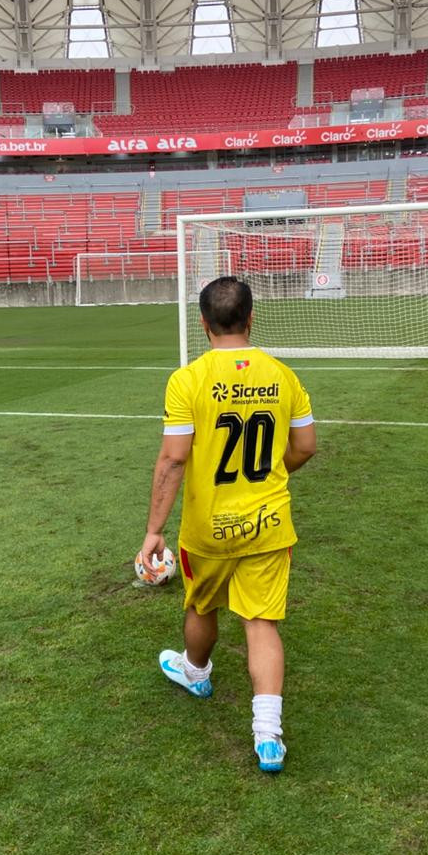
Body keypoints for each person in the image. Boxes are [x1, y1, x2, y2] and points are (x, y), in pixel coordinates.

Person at [137, 276, 316, 773]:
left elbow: (174, 459)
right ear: (251, 317)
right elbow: (305, 447)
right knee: (261, 622)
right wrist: (273, 473)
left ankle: (196, 673)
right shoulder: (282, 375)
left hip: (208, 527)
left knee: (202, 603)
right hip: (268, 522)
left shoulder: (187, 379)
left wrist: (153, 530)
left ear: (203, 323)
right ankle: (268, 735)